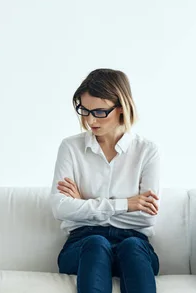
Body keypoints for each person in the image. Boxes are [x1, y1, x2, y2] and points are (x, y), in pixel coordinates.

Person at [50, 68, 161, 293]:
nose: (90, 120)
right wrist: (126, 204)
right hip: (82, 245)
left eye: (99, 112)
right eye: (84, 110)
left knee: (131, 246)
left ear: (121, 107)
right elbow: (60, 208)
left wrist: (84, 203)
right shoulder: (70, 148)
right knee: (96, 243)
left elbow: (146, 219)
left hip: (133, 244)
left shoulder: (147, 151)